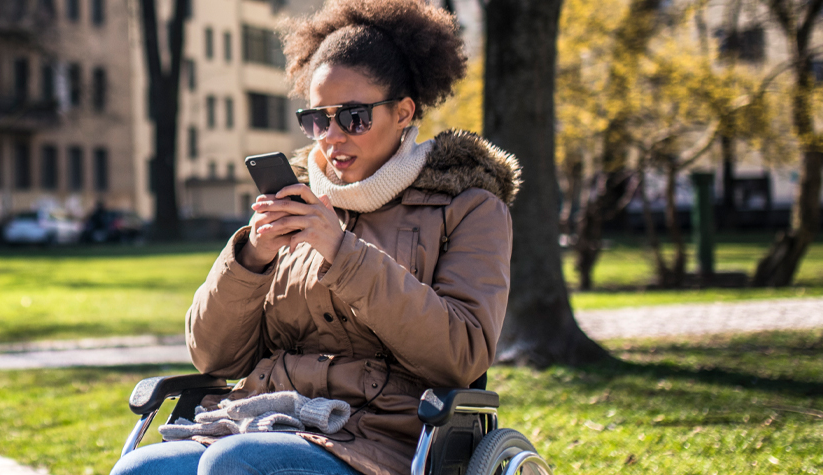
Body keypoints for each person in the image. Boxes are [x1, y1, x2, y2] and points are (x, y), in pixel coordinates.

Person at [110, 1, 520, 474]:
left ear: (404, 112)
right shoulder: (298, 200)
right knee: (140, 470)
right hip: (266, 420)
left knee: (234, 464)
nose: (332, 137)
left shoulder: (469, 205)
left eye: (354, 117)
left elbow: (461, 355)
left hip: (387, 439)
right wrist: (252, 259)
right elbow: (215, 357)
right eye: (317, 119)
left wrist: (343, 254)